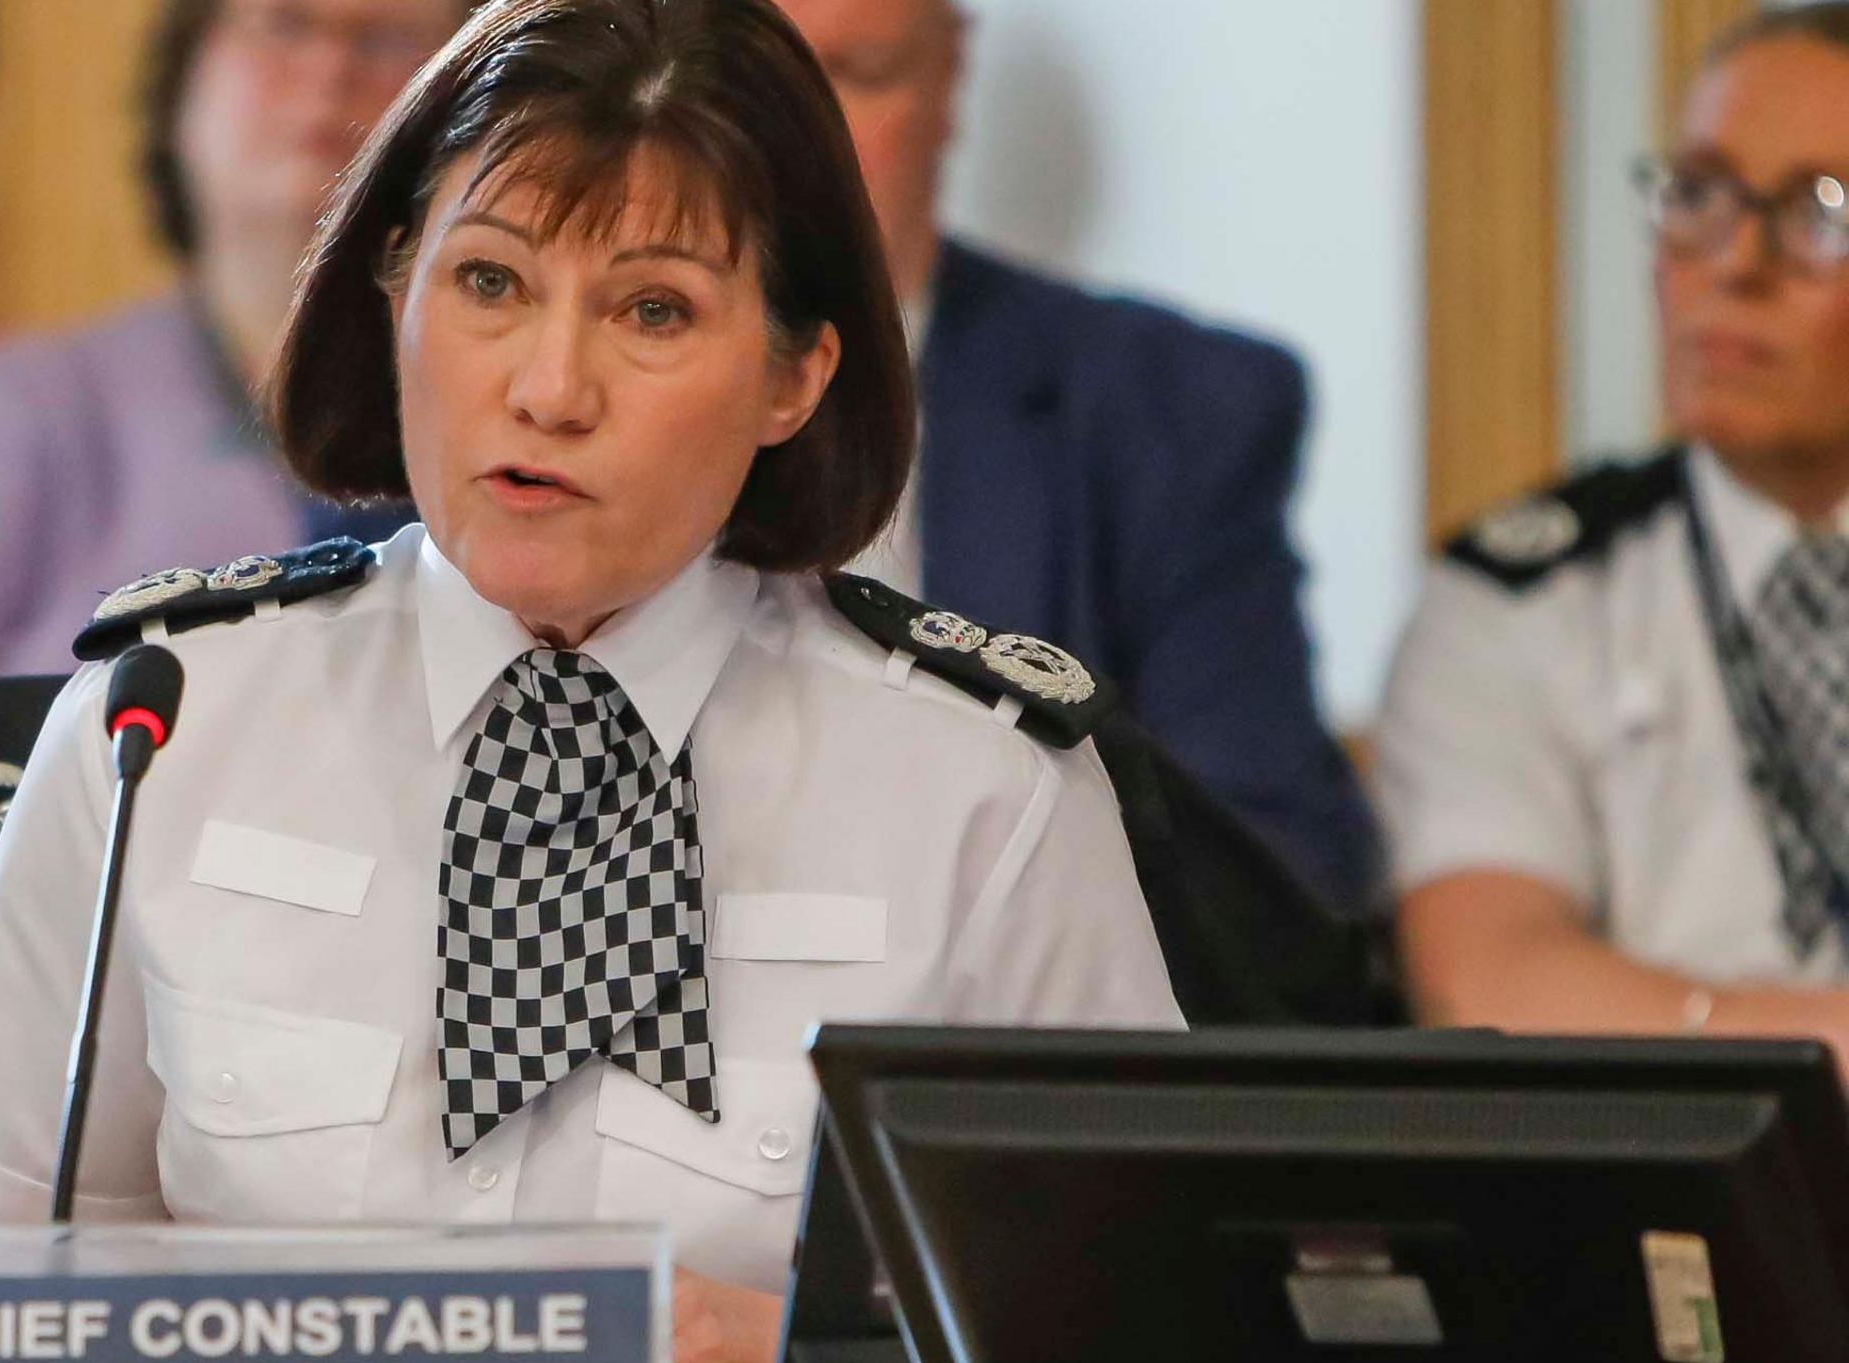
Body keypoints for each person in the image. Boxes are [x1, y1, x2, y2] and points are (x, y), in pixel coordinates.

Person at [0, 0, 1182, 1363]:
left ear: (798, 376)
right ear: (394, 294)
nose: (549, 389)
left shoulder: (984, 794)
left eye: (654, 310)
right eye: (489, 284)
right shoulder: (162, 727)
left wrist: (815, 1356)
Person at [0, 0, 454, 846]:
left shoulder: (526, 420)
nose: (329, 72)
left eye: (386, 39)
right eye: (284, 26)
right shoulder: (15, 407)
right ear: (181, 87)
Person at [767, 0, 1377, 910]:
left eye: (857, 78)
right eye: (756, 88)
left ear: (950, 80)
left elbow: (1270, 881)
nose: (798, 147)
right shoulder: (556, 397)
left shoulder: (1170, 417)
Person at [1375, 5, 1849, 1071]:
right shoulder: (1520, 599)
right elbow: (1484, 982)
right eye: (1698, 194)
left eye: (1820, 212)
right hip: (1689, 1209)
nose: (1732, 263)